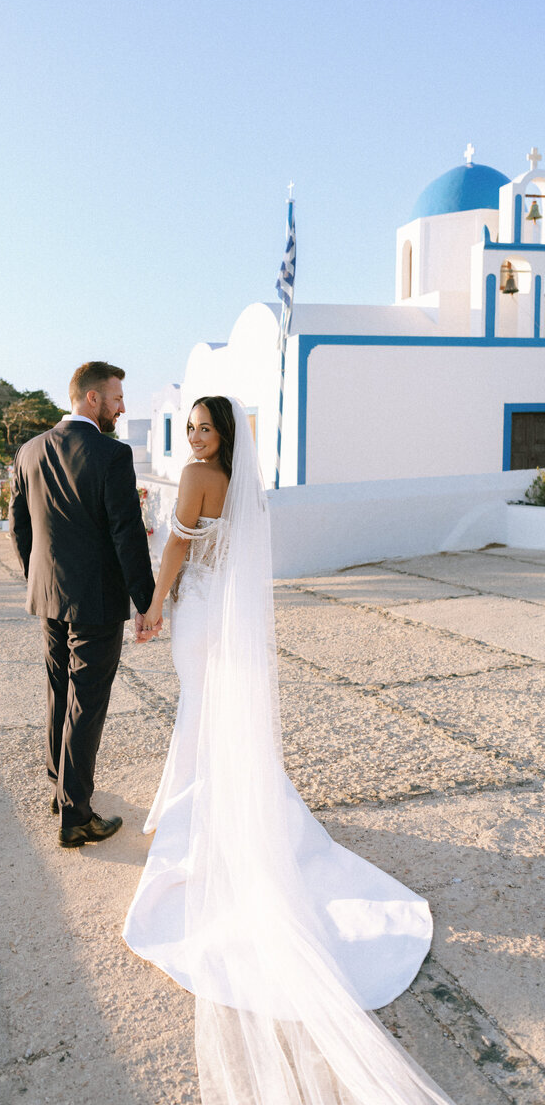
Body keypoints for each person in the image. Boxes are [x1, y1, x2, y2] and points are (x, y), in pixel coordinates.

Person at [124, 395, 456, 1105]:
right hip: (221, 613)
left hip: (196, 613)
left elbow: (178, 549)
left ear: (223, 436)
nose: (195, 438)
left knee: (199, 720)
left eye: (205, 428)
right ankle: (209, 821)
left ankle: (198, 837)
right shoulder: (244, 489)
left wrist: (152, 609)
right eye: (190, 429)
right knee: (208, 722)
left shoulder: (194, 476)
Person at [8, 361, 158, 849]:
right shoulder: (112, 454)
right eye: (117, 397)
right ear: (91, 398)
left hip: (47, 594)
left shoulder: (28, 451)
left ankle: (61, 787)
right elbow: (126, 533)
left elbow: (20, 528)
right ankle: (76, 817)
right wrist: (146, 601)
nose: (122, 406)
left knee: (58, 688)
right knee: (86, 703)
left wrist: (38, 577)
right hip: (95, 600)